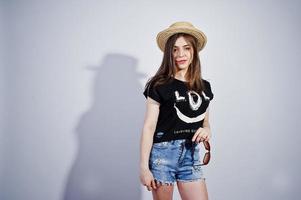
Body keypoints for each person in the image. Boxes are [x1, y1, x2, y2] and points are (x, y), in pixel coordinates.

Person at [139, 21, 214, 200]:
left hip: (191, 155)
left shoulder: (205, 87)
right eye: (175, 49)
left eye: (186, 48)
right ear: (169, 53)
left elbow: (205, 122)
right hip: (162, 156)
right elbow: (149, 127)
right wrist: (143, 167)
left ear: (193, 51)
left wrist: (207, 130)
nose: (180, 54)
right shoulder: (159, 84)